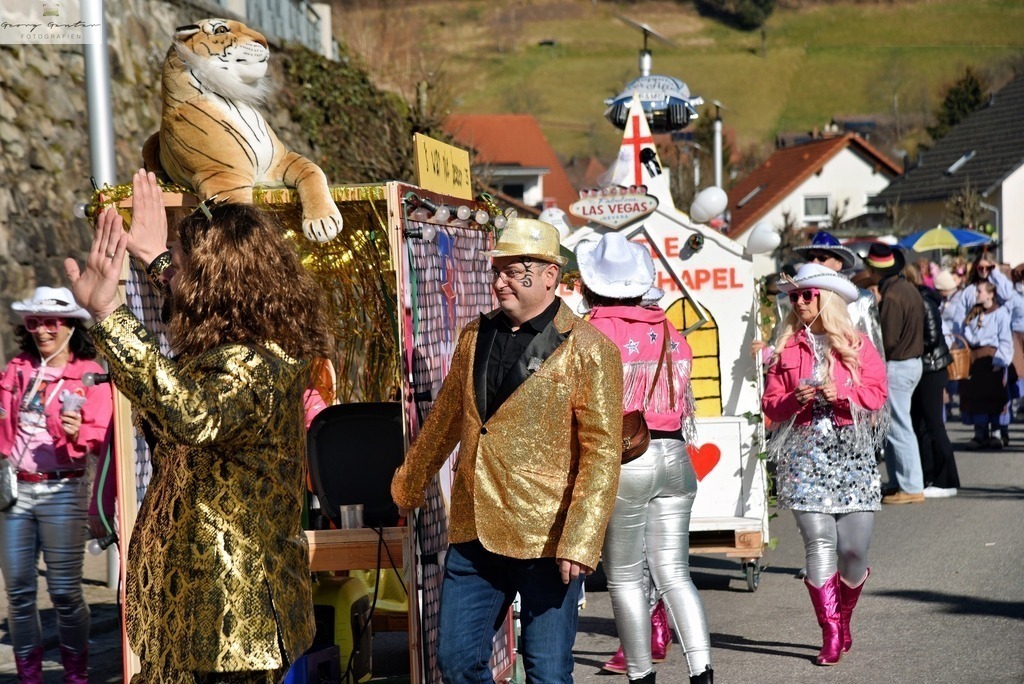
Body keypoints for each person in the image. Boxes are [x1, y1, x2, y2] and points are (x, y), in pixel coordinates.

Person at [63, 169, 334, 681]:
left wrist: (111, 315)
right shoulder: (257, 352)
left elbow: (190, 414)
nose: (176, 279)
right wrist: (159, 260)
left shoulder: (250, 367)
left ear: (215, 284)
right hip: (203, 620)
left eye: (185, 268)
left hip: (228, 627)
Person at [390, 218, 623, 683]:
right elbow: (446, 420)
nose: (499, 281)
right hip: (475, 530)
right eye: (496, 270)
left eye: (514, 271)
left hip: (549, 536)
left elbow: (602, 452)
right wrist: (408, 485)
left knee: (547, 671)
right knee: (455, 662)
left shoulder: (590, 348)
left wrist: (580, 539)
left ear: (551, 275)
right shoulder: (474, 336)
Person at [576, 233, 712, 684]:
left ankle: (641, 676)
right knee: (675, 573)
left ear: (590, 285)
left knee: (627, 580)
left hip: (626, 459)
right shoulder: (670, 329)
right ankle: (702, 672)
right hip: (676, 455)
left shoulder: (589, 331)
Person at [762, 263, 888, 667]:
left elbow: (878, 394)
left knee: (853, 551)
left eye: (807, 295)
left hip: (852, 456)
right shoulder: (787, 347)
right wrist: (790, 401)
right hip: (804, 456)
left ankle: (844, 617)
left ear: (825, 298)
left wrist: (843, 391)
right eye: (793, 296)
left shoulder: (857, 344)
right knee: (819, 544)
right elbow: (770, 404)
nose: (798, 302)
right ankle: (831, 632)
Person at [0, 286, 113, 683]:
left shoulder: (89, 376)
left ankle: (76, 675)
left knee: (65, 593)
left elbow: (101, 437)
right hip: (15, 491)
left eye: (51, 322)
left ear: (70, 326)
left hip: (65, 490)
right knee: (18, 592)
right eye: (34, 323)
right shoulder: (17, 370)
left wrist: (78, 431)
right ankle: (30, 677)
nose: (42, 331)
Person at [865, 244, 925, 505]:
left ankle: (911, 486)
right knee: (896, 425)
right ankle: (901, 482)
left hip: (899, 364)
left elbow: (886, 340)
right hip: (910, 362)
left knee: (899, 427)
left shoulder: (892, 296)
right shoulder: (908, 289)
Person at [906, 267, 960, 498]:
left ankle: (947, 480)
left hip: (932, 368)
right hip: (924, 367)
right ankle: (929, 475)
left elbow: (932, 338)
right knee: (920, 425)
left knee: (934, 425)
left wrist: (905, 346)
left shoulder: (924, 302)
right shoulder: (918, 300)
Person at [957, 281, 1014, 450]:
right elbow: (967, 335)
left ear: (990, 294)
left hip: (991, 359)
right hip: (975, 360)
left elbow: (1005, 339)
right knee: (976, 396)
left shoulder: (1001, 313)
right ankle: (979, 433)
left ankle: (996, 433)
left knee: (994, 396)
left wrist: (1000, 361)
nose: (976, 294)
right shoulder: (975, 313)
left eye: (979, 291)